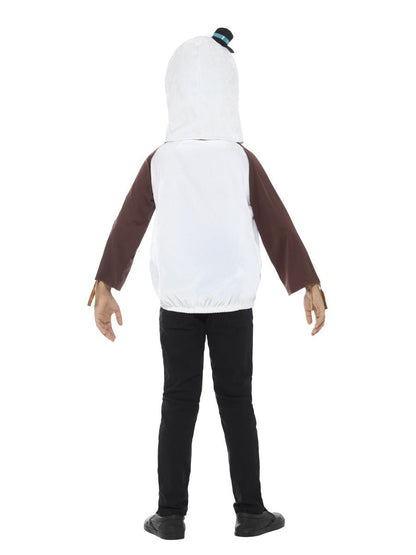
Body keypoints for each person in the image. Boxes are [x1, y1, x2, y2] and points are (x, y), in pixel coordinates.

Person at [87, 27, 328, 540]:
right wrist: (307, 282)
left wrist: (107, 283)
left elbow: (128, 225)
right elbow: (277, 224)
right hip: (233, 305)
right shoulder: (240, 159)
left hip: (177, 305)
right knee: (237, 402)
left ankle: (170, 515)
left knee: (177, 403)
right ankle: (251, 511)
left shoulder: (161, 160)